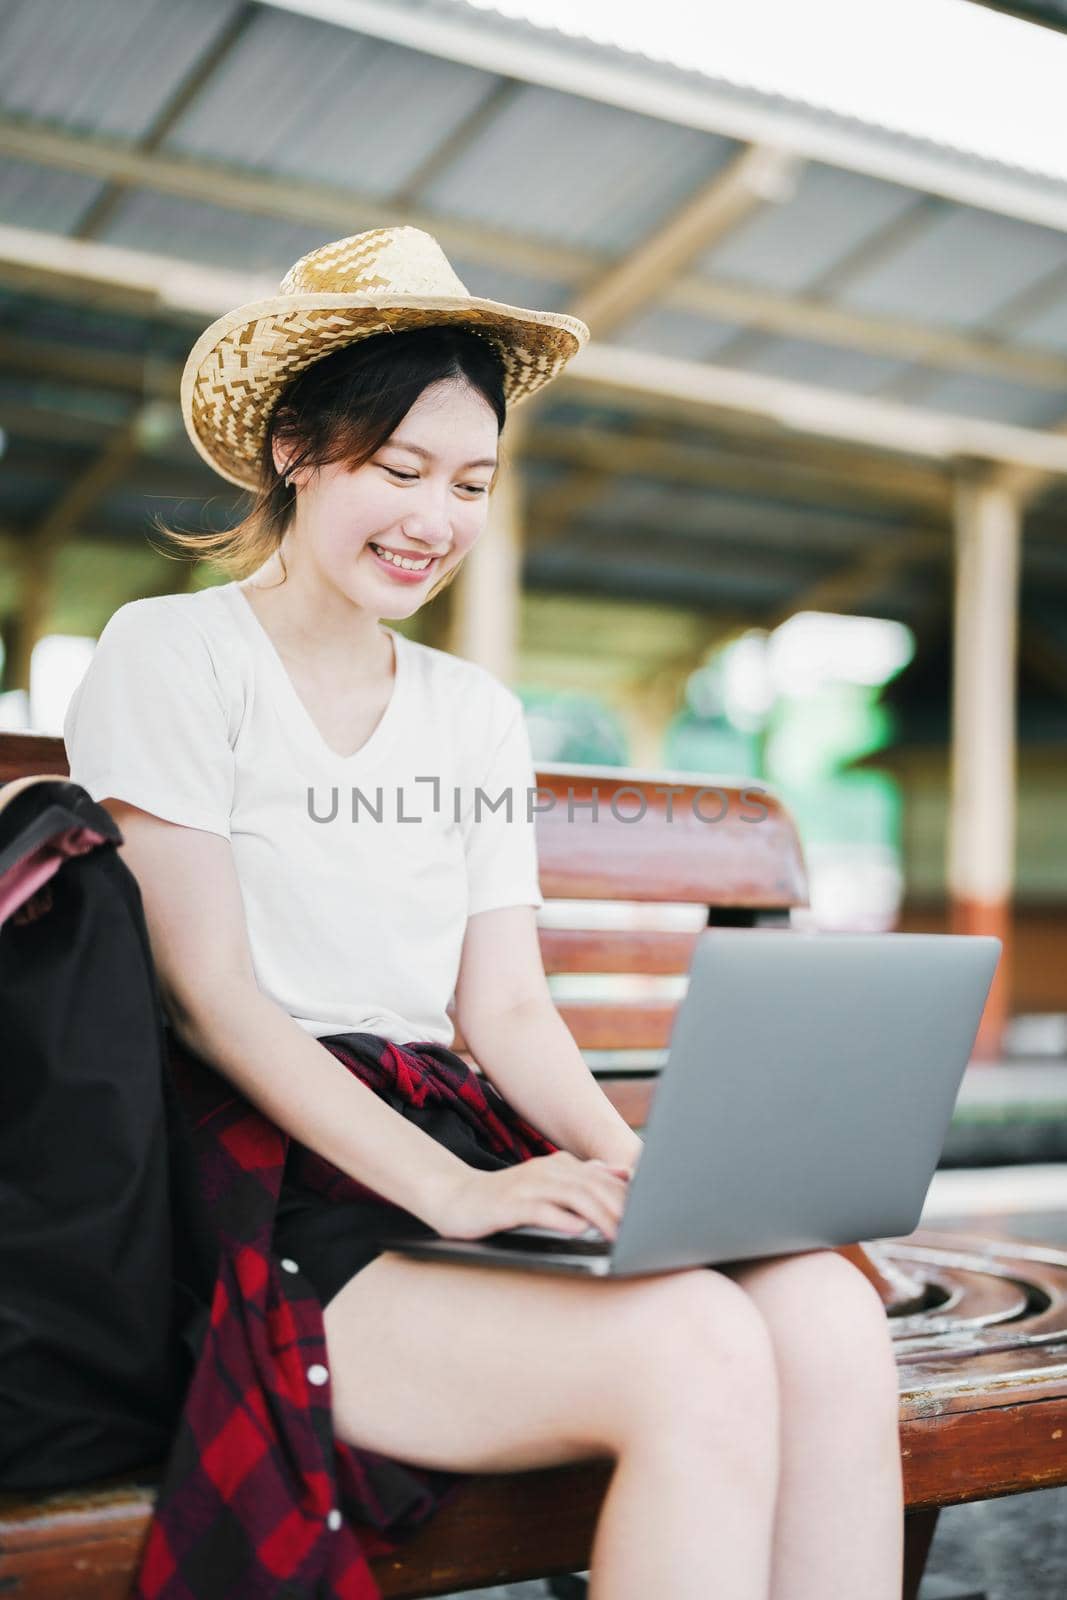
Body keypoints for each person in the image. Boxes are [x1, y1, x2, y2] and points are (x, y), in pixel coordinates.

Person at [64, 225, 903, 1600]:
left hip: (451, 1142)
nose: (433, 518)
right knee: (693, 1345)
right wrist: (454, 1186)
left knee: (822, 1306)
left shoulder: (472, 716)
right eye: (396, 469)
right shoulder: (173, 656)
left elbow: (503, 1008)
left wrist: (639, 1172)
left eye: (470, 482)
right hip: (258, 1193)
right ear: (292, 446)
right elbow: (211, 994)